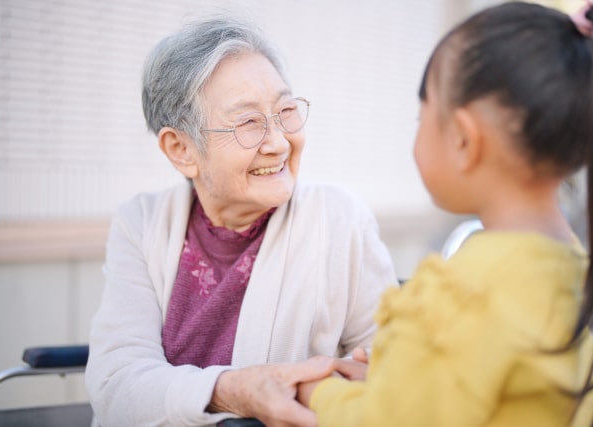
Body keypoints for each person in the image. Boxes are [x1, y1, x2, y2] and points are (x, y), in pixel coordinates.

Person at [298, 1, 593, 426]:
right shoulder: (569, 268)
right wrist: (396, 381)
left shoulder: (467, 290)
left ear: (464, 141)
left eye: (423, 114)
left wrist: (319, 393)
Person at [84, 14, 398, 427]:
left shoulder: (340, 219)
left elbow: (391, 365)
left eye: (285, 110)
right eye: (249, 122)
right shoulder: (141, 224)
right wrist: (234, 391)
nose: (279, 142)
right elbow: (117, 385)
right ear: (181, 148)